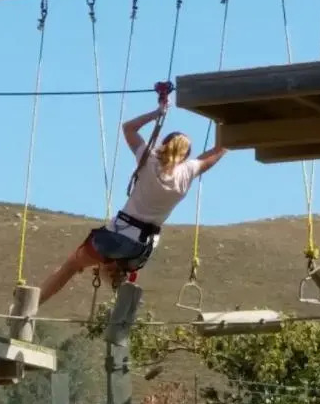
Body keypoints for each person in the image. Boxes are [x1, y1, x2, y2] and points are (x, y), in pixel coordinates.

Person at [37, 101, 228, 306]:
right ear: (186, 155)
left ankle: (32, 304)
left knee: (73, 265)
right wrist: (225, 119)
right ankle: (117, 281)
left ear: (163, 144)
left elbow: (128, 128)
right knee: (112, 265)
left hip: (117, 235)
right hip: (141, 249)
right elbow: (220, 148)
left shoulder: (148, 158)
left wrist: (158, 112)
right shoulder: (188, 172)